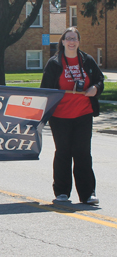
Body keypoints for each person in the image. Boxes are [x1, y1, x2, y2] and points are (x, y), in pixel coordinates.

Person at [40, 27, 104, 205]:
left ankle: (87, 194)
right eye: (68, 38)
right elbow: (44, 90)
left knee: (83, 153)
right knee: (63, 153)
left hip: (83, 114)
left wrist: (95, 89)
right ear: (62, 41)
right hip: (60, 116)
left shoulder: (87, 60)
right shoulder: (55, 63)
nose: (71, 41)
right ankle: (61, 193)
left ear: (78, 41)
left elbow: (100, 80)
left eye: (74, 38)